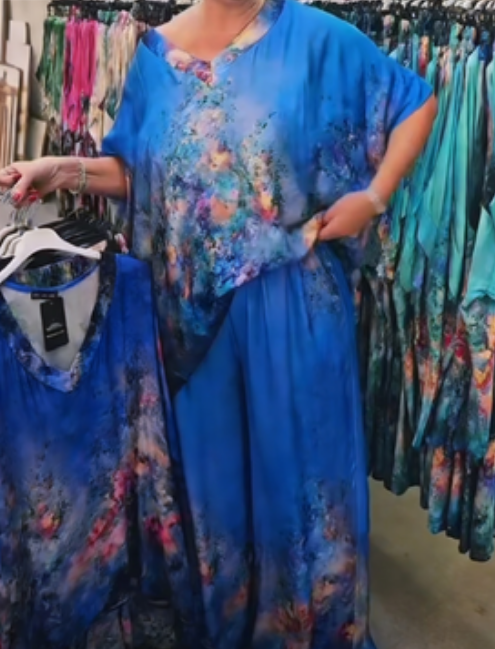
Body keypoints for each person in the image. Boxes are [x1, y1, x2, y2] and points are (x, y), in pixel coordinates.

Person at [0, 0, 436, 646]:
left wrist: (373, 197)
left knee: (303, 516)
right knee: (215, 515)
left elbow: (414, 101)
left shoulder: (314, 39)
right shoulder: (154, 58)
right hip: (192, 334)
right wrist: (60, 169)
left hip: (295, 319)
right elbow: (138, 170)